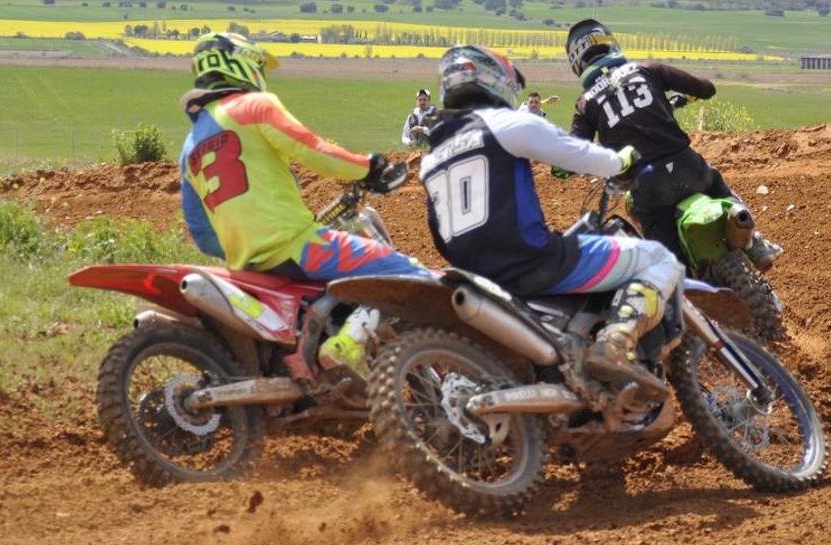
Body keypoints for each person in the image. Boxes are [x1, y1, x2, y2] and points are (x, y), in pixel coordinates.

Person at [421, 45, 684, 386]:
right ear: (494, 80)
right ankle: (616, 342)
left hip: (477, 280)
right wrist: (621, 160)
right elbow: (576, 154)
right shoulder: (506, 124)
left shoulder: (431, 159)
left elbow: (438, 232)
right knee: (659, 257)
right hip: (534, 262)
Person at [179, 31, 429, 372]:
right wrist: (367, 166)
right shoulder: (254, 106)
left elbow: (201, 232)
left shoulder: (190, 144)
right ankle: (346, 345)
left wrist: (247, 243)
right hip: (297, 246)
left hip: (245, 265)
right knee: (409, 274)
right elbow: (312, 149)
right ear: (242, 65)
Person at [564, 18, 781, 271]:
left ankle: (688, 289)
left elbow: (573, 153)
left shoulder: (585, 103)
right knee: (714, 181)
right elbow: (706, 88)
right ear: (610, 44)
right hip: (687, 167)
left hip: (648, 186)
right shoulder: (647, 69)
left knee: (670, 266)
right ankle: (755, 244)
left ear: (577, 62)